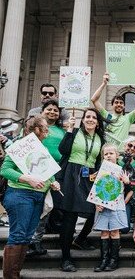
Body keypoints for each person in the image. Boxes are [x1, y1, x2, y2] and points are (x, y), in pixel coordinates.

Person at [1, 115, 61, 279]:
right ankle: (10, 276)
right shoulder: (20, 145)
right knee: (18, 235)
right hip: (20, 195)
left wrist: (54, 182)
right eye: (45, 127)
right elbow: (5, 170)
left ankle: (16, 274)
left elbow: (46, 171)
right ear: (36, 129)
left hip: (38, 197)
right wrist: (28, 179)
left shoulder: (41, 147)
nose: (47, 129)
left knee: (27, 236)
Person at [58, 108, 105, 272]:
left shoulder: (100, 138)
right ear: (83, 120)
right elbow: (63, 150)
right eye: (87, 117)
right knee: (70, 216)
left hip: (90, 176)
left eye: (93, 117)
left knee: (95, 211)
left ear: (97, 122)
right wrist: (69, 129)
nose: (90, 119)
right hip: (72, 174)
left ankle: (80, 239)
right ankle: (65, 258)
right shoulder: (75, 132)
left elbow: (99, 161)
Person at [27, 100, 66, 257]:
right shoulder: (34, 128)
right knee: (35, 208)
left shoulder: (61, 131)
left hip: (54, 174)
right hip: (35, 172)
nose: (52, 112)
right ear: (41, 112)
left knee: (46, 209)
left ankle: (36, 242)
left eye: (56, 110)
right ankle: (29, 241)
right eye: (49, 109)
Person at [93, 144, 129, 272]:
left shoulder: (122, 169)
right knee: (104, 232)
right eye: (106, 154)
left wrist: (126, 181)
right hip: (102, 206)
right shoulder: (100, 171)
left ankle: (113, 261)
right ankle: (103, 260)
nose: (108, 156)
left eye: (111, 153)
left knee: (114, 231)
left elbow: (130, 186)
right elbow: (96, 189)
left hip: (117, 205)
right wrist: (96, 203)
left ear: (117, 155)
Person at [91, 73, 135, 148]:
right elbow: (94, 100)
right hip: (108, 154)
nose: (119, 104)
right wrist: (104, 83)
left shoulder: (128, 118)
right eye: (116, 102)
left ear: (124, 106)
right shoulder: (107, 116)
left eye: (121, 103)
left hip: (121, 154)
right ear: (112, 105)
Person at [118, 137, 135, 234]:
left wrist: (123, 202)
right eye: (130, 145)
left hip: (127, 199)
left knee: (125, 228)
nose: (132, 148)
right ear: (125, 146)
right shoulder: (117, 161)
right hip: (112, 196)